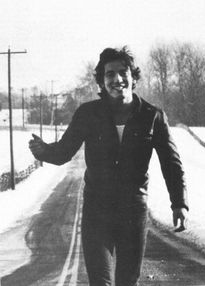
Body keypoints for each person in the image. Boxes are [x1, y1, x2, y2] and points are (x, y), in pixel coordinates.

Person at [29, 46, 188, 286]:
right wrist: (44, 151)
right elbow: (64, 152)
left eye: (123, 72)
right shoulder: (88, 113)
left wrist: (179, 203)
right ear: (102, 82)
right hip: (97, 211)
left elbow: (171, 163)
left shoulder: (152, 116)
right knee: (100, 281)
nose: (117, 79)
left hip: (133, 211)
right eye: (109, 74)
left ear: (133, 77)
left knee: (126, 281)